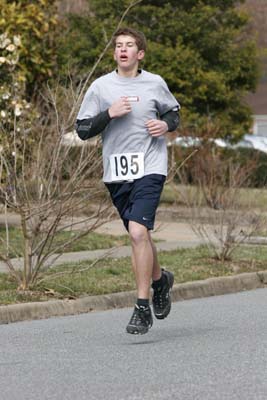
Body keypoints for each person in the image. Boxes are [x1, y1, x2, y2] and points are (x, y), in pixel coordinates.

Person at [76, 27, 180, 335]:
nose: (123, 49)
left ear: (140, 53)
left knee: (137, 233)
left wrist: (164, 125)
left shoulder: (155, 83)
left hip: (151, 166)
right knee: (141, 235)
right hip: (117, 172)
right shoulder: (101, 87)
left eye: (129, 45)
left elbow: (173, 113)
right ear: (115, 54)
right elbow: (82, 129)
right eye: (119, 45)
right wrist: (109, 113)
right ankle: (161, 281)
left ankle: (141, 306)